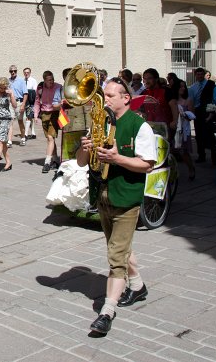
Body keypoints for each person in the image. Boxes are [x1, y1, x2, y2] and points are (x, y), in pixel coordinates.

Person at [77, 78, 156, 335]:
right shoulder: (99, 123)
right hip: (103, 196)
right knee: (119, 248)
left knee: (115, 257)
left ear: (126, 98)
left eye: (110, 95)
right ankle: (138, 286)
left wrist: (117, 158)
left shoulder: (139, 126)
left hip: (126, 199)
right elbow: (80, 162)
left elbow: (147, 164)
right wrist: (84, 147)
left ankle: (107, 310)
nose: (104, 99)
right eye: (104, 94)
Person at [33, 70, 63, 173]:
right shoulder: (40, 88)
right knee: (50, 139)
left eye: (52, 79)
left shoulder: (58, 87)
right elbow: (37, 101)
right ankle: (55, 160)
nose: (52, 81)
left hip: (54, 114)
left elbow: (61, 101)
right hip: (44, 114)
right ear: (44, 80)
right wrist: (36, 115)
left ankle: (47, 162)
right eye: (49, 80)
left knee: (51, 137)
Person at [189, 67, 216, 164]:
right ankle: (201, 155)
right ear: (195, 75)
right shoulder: (192, 88)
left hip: (208, 110)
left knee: (210, 134)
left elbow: (214, 98)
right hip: (198, 112)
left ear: (204, 75)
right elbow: (191, 102)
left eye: (201, 74)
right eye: (198, 74)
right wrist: (192, 114)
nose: (199, 76)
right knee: (199, 135)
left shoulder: (211, 84)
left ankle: (214, 157)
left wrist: (212, 111)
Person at [174, 80, 196, 180]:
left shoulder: (188, 100)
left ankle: (191, 168)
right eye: (180, 87)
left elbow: (192, 115)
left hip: (183, 127)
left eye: (184, 87)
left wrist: (185, 114)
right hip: (174, 127)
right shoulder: (172, 101)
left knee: (184, 151)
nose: (182, 89)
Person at [8, 65, 28, 146]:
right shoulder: (8, 81)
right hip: (10, 103)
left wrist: (23, 105)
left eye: (14, 71)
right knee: (10, 121)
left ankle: (23, 138)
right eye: (11, 71)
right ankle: (9, 141)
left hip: (19, 102)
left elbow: (25, 93)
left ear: (16, 71)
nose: (13, 72)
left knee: (20, 121)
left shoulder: (21, 81)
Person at [23, 67, 38, 140]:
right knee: (29, 117)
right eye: (25, 72)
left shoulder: (33, 80)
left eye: (27, 72)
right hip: (23, 100)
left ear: (30, 73)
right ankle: (33, 132)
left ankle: (25, 134)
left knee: (29, 116)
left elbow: (34, 90)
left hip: (30, 100)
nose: (26, 73)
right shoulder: (22, 81)